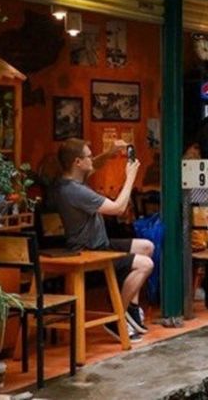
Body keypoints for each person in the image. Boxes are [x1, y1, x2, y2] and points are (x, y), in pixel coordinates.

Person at [53, 138, 153, 341]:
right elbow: (118, 209)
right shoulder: (75, 191)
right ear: (77, 162)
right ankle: (117, 318)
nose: (92, 159)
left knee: (146, 247)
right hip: (90, 251)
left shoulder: (68, 180)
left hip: (100, 244)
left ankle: (131, 309)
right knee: (145, 264)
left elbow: (93, 166)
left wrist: (109, 153)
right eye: (88, 156)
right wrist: (130, 177)